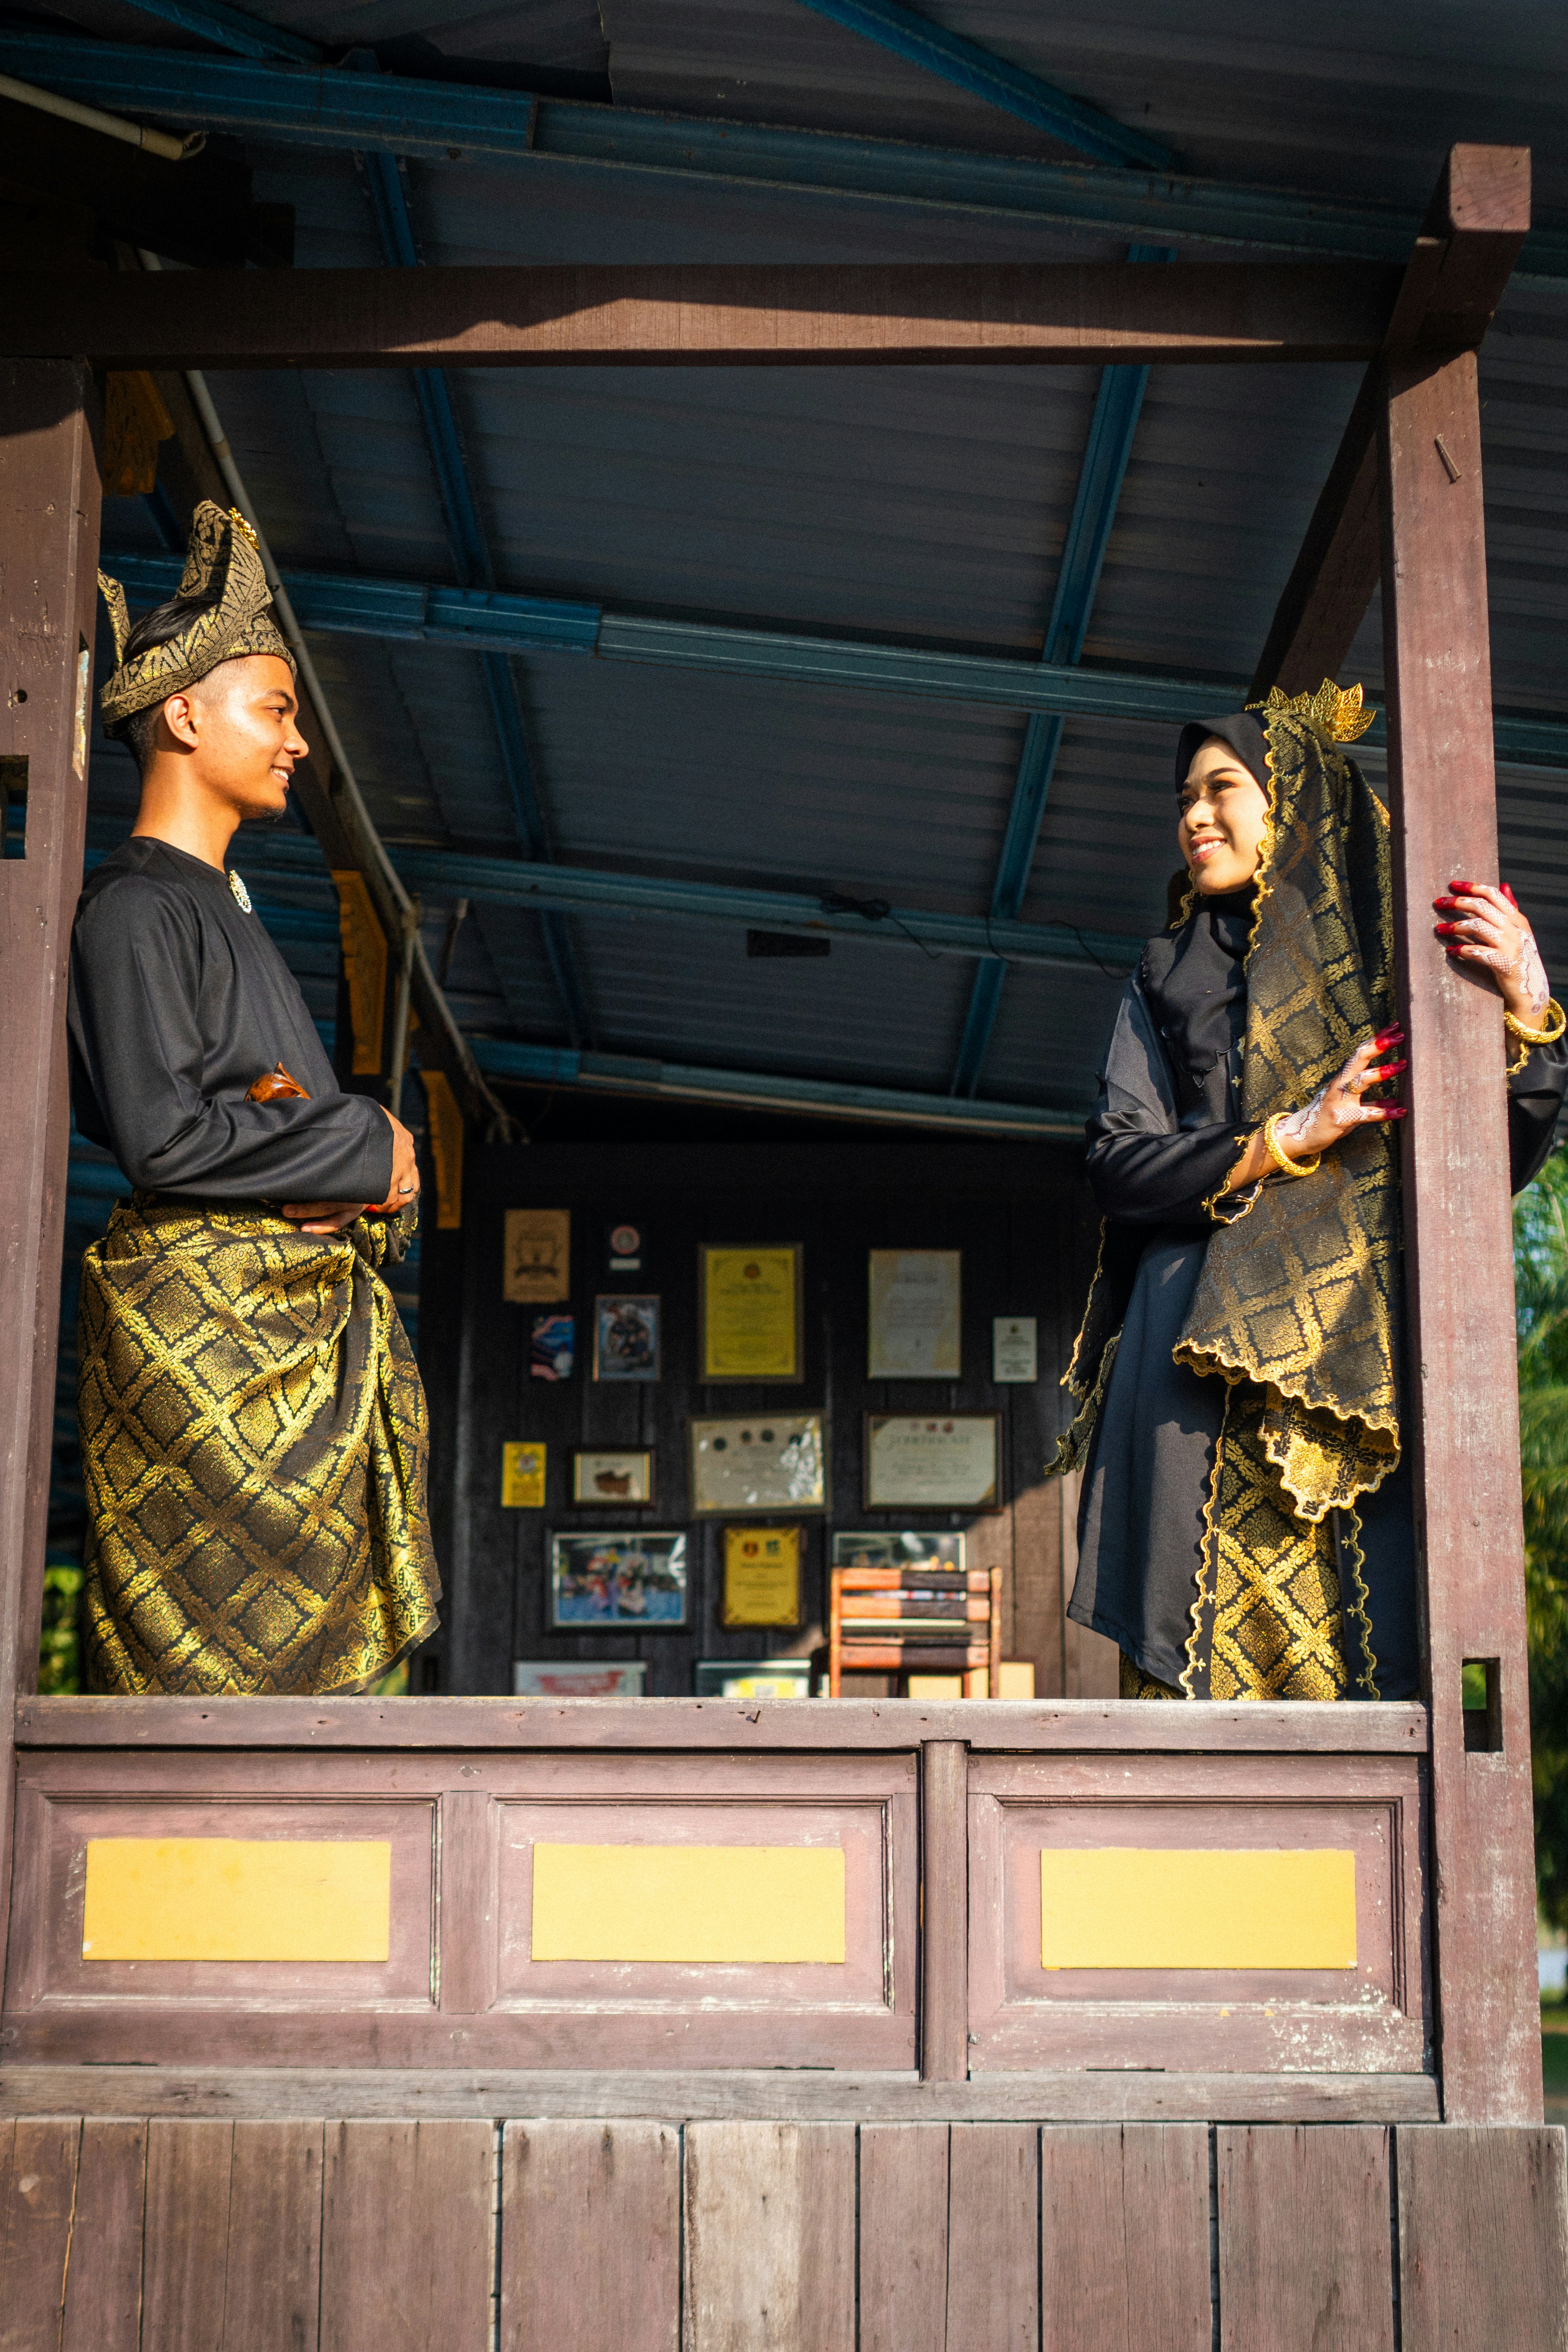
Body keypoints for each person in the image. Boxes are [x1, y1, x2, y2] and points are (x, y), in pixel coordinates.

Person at [1058, 679, 1567, 1701]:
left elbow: (1489, 1163)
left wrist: (1526, 1005)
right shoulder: (1164, 975)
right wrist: (1289, 1135)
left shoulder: (1405, 973)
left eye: (1221, 789)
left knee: (1368, 1684)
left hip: (1358, 1356)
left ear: (1290, 799)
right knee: (1188, 1705)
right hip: (1186, 1371)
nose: (1193, 817)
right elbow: (1117, 1164)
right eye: (1184, 799)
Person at [69, 501, 441, 1695]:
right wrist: (356, 1142)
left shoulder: (222, 908)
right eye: (273, 709)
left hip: (286, 1329)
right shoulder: (133, 909)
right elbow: (165, 1134)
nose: (296, 743)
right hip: (213, 1343)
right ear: (183, 714)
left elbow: (268, 1097)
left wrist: (341, 1142)